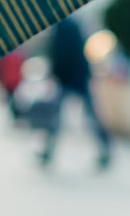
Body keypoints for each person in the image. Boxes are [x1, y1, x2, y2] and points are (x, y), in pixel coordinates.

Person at [37, 16, 113, 170]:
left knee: (59, 116)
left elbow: (62, 53)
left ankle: (48, 152)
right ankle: (105, 149)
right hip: (76, 77)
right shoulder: (69, 24)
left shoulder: (64, 26)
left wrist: (56, 73)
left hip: (72, 77)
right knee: (85, 115)